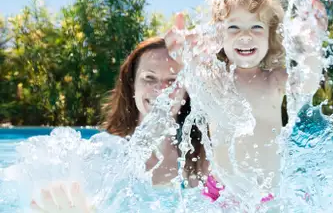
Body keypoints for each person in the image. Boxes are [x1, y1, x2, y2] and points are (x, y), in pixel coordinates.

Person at [167, 0, 328, 203]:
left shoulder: (274, 80)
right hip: (221, 193)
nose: (245, 35)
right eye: (233, 27)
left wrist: (313, 44)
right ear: (218, 36)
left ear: (271, 35)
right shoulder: (215, 79)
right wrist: (181, 50)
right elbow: (189, 70)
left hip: (267, 196)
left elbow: (308, 82)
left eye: (256, 27)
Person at [30, 37, 209, 212]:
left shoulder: (202, 157)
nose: (161, 90)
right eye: (149, 78)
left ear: (186, 89)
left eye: (172, 80)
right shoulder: (103, 156)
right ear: (132, 84)